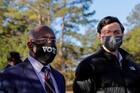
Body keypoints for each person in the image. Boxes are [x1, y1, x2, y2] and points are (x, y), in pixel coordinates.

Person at [73, 16, 140, 93]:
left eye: (116, 32)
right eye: (108, 32)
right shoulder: (88, 65)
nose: (113, 36)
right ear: (99, 36)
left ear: (122, 34)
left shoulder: (133, 64)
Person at [1, 25, 65, 93]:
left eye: (53, 40)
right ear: (30, 45)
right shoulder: (10, 75)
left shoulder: (60, 78)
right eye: (44, 40)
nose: (50, 43)